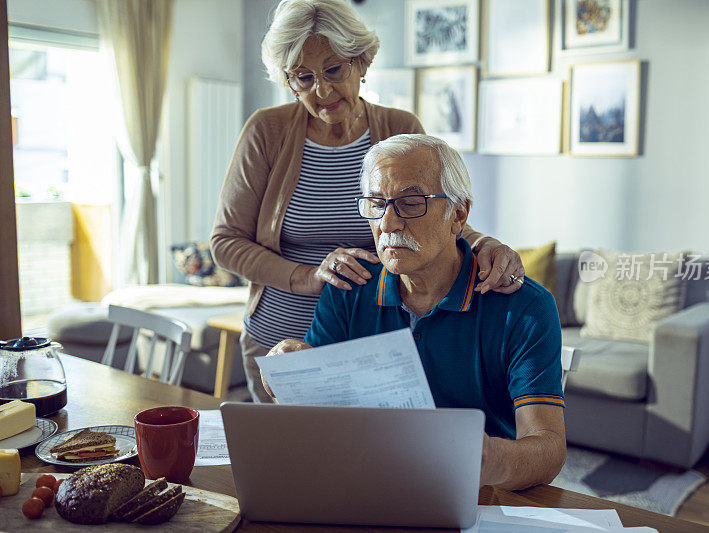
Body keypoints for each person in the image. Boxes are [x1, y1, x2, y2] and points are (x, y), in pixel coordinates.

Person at [210, 0, 525, 403]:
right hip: (280, 340)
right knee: (291, 462)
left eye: (334, 69)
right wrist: (310, 276)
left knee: (367, 461)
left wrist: (484, 243)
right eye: (302, 78)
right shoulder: (266, 131)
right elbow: (225, 241)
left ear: (360, 61)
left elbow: (433, 211)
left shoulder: (399, 128)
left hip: (370, 345)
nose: (321, 90)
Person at [261, 134, 566, 491]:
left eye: (410, 203)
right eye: (376, 203)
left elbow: (548, 447)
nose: (387, 224)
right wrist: (290, 374)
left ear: (459, 214)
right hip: (365, 483)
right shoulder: (348, 288)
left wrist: (488, 460)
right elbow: (316, 419)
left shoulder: (524, 306)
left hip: (480, 495)